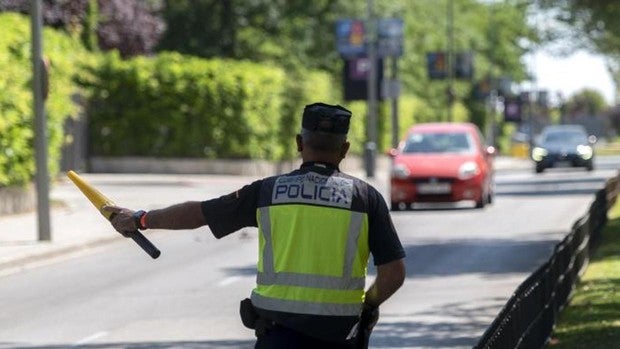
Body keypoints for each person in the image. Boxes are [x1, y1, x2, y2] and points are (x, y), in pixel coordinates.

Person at [103, 102, 406, 348]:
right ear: (345, 149)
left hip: (278, 335)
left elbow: (199, 214)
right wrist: (367, 306)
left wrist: (141, 219)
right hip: (339, 335)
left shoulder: (267, 191)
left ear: (300, 143)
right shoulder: (366, 199)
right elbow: (393, 274)